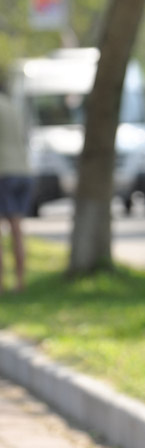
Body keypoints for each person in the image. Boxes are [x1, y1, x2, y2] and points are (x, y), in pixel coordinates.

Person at [0, 86, 33, 294]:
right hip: (23, 170)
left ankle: (1, 285)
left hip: (3, 171)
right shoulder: (11, 105)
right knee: (17, 229)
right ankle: (20, 283)